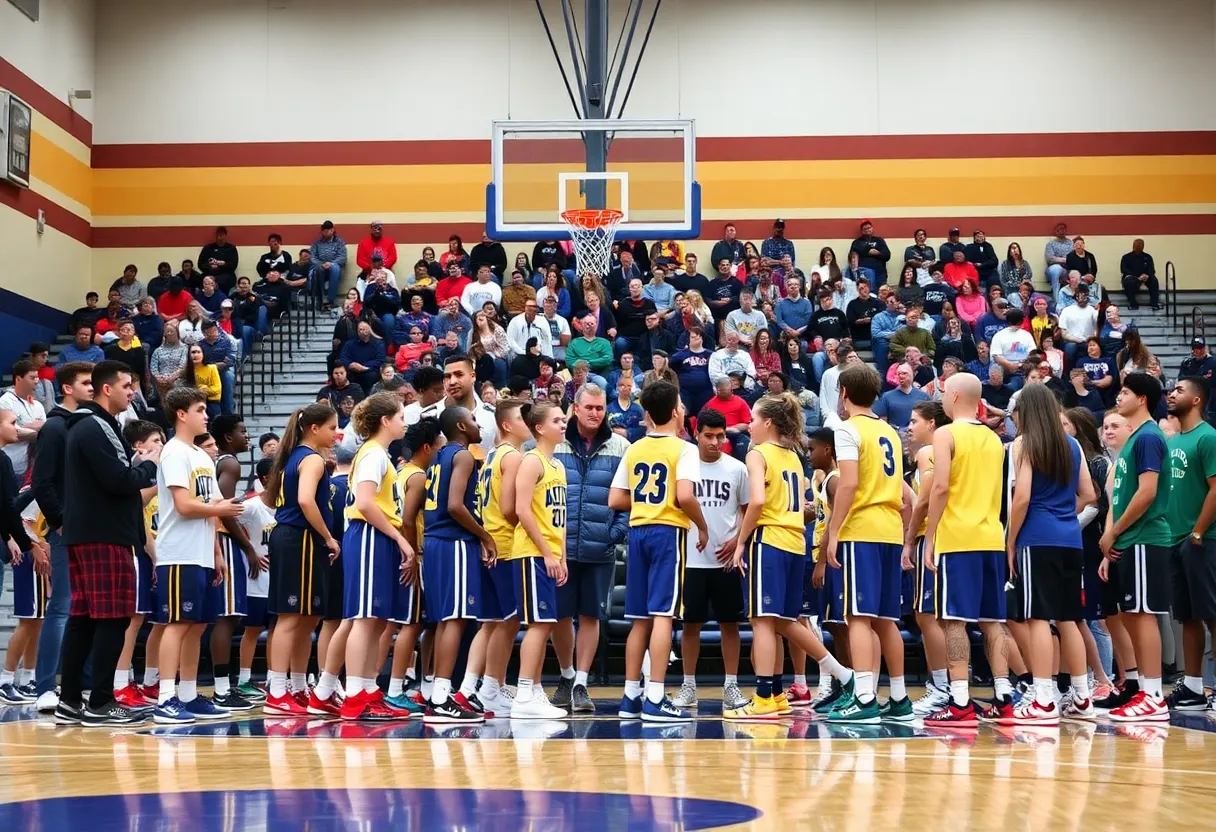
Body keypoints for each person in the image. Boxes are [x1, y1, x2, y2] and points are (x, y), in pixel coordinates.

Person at [50, 362, 157, 725]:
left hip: (88, 532)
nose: (132, 392)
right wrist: (148, 465)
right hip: (104, 534)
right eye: (126, 386)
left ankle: (69, 702)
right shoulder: (94, 426)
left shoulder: (90, 425)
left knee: (83, 618)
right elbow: (118, 479)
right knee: (113, 618)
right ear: (106, 389)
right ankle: (100, 702)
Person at [609, 381, 709, 722]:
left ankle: (630, 697)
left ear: (647, 415)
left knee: (639, 619)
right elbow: (684, 496)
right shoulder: (684, 449)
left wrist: (647, 499)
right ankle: (654, 697)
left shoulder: (634, 448)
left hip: (637, 532)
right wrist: (703, 525)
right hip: (667, 533)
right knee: (664, 615)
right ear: (677, 412)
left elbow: (615, 499)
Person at [819, 364, 912, 723]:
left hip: (862, 529)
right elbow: (908, 496)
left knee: (857, 617)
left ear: (843, 393)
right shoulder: (888, 430)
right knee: (887, 621)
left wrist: (836, 529)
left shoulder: (847, 429)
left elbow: (848, 483)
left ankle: (863, 697)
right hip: (889, 529)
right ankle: (900, 698)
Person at [921, 372, 1012, 726]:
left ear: (955, 396)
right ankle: (1003, 696)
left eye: (944, 392)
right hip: (991, 536)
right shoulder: (992, 438)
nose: (941, 397)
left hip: (958, 539)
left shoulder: (945, 433)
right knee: (993, 623)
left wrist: (928, 538)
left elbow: (940, 487)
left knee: (953, 622)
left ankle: (959, 701)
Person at [1004, 384, 1098, 724]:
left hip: (1036, 538)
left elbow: (1023, 497)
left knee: (1038, 618)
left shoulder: (1024, 443)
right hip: (1070, 538)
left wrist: (1011, 541)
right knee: (1069, 618)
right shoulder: (1072, 444)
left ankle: (1043, 699)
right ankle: (1082, 697)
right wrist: (1061, 514)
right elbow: (1088, 494)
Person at [332, 394, 415, 721]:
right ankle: (354, 695)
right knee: (365, 621)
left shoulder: (378, 454)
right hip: (368, 535)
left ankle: (366, 688)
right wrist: (399, 537)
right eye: (400, 416)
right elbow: (365, 504)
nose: (404, 422)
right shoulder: (372, 455)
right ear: (385, 421)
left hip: (377, 536)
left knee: (377, 620)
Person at [550, 383, 629, 712]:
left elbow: (630, 497)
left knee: (591, 616)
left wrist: (616, 532)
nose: (596, 413)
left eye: (600, 408)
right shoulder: (553, 444)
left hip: (600, 549)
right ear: (576, 409)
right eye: (590, 408)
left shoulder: (621, 447)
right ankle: (566, 676)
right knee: (559, 616)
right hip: (559, 549)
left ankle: (582, 683)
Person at [1100, 373, 1173, 721]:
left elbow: (1147, 493)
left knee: (1144, 616)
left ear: (1142, 399)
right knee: (1132, 615)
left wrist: (1114, 531)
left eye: (1125, 392)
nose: (1119, 396)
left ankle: (1154, 696)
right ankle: (1144, 688)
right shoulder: (1133, 440)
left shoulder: (1147, 438)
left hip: (1146, 537)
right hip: (1131, 540)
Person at [261, 403, 340, 715]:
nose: (336, 434)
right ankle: (277, 690)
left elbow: (270, 499)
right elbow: (306, 500)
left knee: (308, 617)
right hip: (300, 539)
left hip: (295, 538)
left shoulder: (291, 457)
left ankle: (297, 685)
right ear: (314, 429)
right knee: (291, 616)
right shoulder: (311, 460)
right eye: (333, 427)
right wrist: (328, 536)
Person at [670, 410, 749, 712]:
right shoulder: (684, 466)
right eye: (709, 435)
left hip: (726, 560)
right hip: (690, 558)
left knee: (730, 625)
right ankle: (689, 686)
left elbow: (746, 509)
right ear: (696, 432)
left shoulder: (737, 468)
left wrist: (738, 538)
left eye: (721, 435)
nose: (716, 442)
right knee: (690, 626)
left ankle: (730, 685)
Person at [422, 406, 496, 723]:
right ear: (463, 427)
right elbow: (454, 505)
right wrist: (485, 536)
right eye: (475, 421)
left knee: (444, 620)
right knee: (456, 619)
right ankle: (440, 698)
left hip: (435, 542)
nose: (479, 425)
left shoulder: (437, 456)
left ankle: (440, 693)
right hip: (453, 542)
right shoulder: (463, 456)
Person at [504, 401, 571, 719]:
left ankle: (534, 691)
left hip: (551, 553)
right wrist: (547, 552)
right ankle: (524, 696)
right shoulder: (531, 461)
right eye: (557, 420)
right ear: (540, 428)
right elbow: (521, 510)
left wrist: (563, 555)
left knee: (546, 624)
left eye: (563, 419)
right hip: (532, 552)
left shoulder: (557, 465)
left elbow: (561, 516)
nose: (563, 423)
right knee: (540, 624)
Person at [1162, 379, 1216, 711]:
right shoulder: (1172, 442)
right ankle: (1194, 687)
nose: (1171, 394)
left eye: (1179, 390)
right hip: (1175, 539)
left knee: (1213, 616)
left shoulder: (1208, 437)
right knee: (1188, 617)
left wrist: (1197, 533)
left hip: (1204, 540)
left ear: (1196, 399)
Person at [383, 417, 442, 714]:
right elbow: (407, 519)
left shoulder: (401, 471)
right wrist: (411, 555)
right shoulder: (417, 476)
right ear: (428, 447)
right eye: (440, 443)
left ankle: (383, 684)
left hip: (401, 552)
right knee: (411, 624)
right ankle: (394, 690)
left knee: (402, 624)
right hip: (412, 555)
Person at [205, 415, 261, 712]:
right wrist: (248, 546)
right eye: (242, 431)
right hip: (223, 541)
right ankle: (223, 690)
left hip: (219, 540)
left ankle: (224, 687)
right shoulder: (230, 463)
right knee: (227, 616)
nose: (247, 436)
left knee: (229, 616)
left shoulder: (222, 462)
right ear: (228, 437)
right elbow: (223, 510)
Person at [901, 401, 952, 716]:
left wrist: (909, 540)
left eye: (914, 420)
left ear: (932, 424)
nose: (909, 426)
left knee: (926, 616)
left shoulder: (927, 452)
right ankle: (954, 686)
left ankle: (940, 688)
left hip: (929, 539)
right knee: (948, 620)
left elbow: (925, 499)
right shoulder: (952, 448)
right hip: (956, 538)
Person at [670, 327, 714, 420]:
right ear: (688, 340)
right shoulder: (679, 356)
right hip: (685, 391)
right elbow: (670, 370)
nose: (696, 339)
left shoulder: (712, 355)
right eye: (693, 337)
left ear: (702, 338)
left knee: (704, 416)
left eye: (698, 336)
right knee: (684, 415)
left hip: (705, 391)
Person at [875, 363, 929, 430]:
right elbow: (881, 420)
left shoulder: (924, 396)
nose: (901, 376)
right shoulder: (887, 397)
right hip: (896, 435)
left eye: (904, 373)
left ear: (913, 375)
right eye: (899, 374)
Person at [1058, 285, 1099, 366]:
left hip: (1088, 341)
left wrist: (1090, 340)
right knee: (1071, 347)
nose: (1082, 298)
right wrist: (1078, 340)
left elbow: (1097, 330)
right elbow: (1064, 334)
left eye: (1085, 295)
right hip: (1071, 342)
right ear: (1076, 296)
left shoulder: (1093, 311)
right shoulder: (1066, 311)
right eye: (1080, 295)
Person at [311, 220, 348, 310]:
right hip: (320, 267)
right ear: (322, 232)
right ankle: (321, 299)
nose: (326, 232)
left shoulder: (340, 243)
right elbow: (312, 258)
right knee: (317, 269)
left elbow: (342, 257)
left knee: (335, 268)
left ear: (332, 230)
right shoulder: (316, 244)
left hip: (334, 267)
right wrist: (322, 264)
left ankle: (330, 300)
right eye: (324, 231)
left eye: (329, 230)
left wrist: (331, 263)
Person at [1120, 239, 1159, 311]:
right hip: (1132, 277)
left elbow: (1152, 269)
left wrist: (1147, 275)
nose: (1138, 247)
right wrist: (1136, 277)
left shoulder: (1147, 257)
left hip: (1145, 277)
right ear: (1133, 246)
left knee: (1154, 280)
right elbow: (1124, 269)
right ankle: (1133, 303)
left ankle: (1154, 303)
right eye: (1137, 246)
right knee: (1129, 281)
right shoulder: (1126, 257)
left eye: (1140, 246)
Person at [849, 220, 891, 286]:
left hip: (879, 274)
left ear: (872, 228)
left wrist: (878, 253)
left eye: (869, 227)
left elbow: (887, 255)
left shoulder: (879, 240)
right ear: (862, 231)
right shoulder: (856, 242)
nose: (867, 230)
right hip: (863, 274)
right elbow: (852, 257)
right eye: (865, 228)